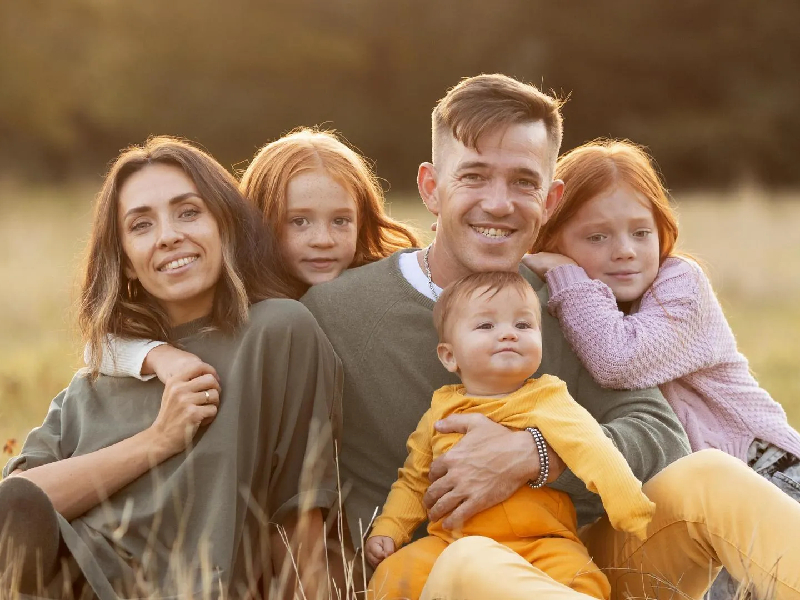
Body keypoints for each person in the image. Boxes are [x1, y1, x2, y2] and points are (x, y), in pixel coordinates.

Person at [300, 74, 800, 599]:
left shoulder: (568, 298)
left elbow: (659, 434)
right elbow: (291, 483)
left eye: (522, 182)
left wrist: (538, 454)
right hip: (432, 574)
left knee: (709, 477)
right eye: (474, 176)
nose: (499, 203)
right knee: (473, 557)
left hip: (573, 566)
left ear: (550, 195)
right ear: (430, 187)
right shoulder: (337, 314)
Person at [0, 137, 342, 599]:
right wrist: (157, 440)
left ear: (226, 224)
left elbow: (298, 509)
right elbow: (18, 505)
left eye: (188, 212)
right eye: (141, 225)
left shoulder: (276, 331)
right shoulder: (99, 378)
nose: (168, 236)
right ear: (126, 263)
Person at [522, 138, 800, 599]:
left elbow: (619, 360)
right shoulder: (570, 309)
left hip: (762, 479)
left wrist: (564, 275)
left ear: (662, 230)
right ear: (553, 238)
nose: (625, 250)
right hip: (689, 511)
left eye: (640, 232)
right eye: (597, 236)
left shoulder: (681, 286)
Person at [364, 271, 656, 600]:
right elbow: (415, 479)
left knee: (577, 577)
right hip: (452, 542)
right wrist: (389, 529)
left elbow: (594, 450)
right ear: (449, 356)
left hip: (541, 542)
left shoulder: (549, 397)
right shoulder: (441, 412)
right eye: (486, 326)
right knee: (396, 574)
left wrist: (630, 507)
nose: (508, 335)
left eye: (523, 325)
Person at [91, 127, 419, 383]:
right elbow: (98, 349)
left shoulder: (375, 289)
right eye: (299, 221)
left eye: (341, 221)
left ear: (361, 222)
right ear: (259, 223)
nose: (323, 239)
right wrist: (157, 356)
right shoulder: (240, 299)